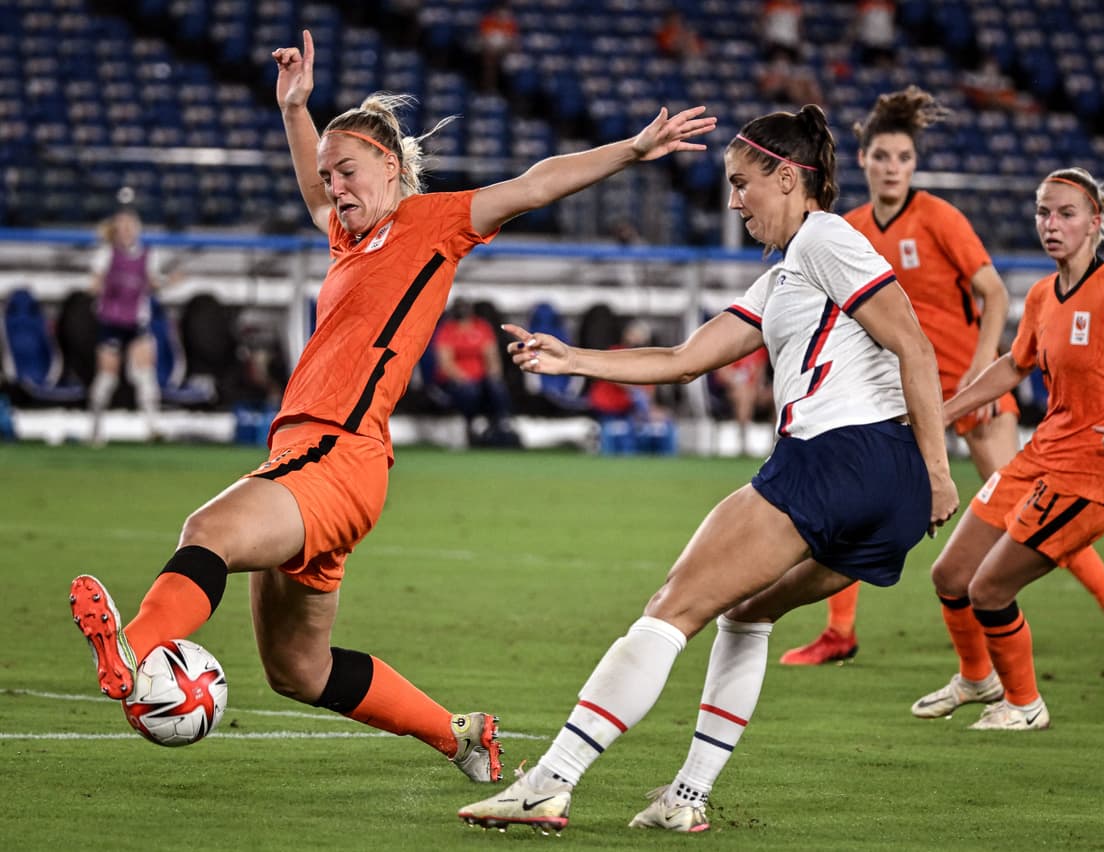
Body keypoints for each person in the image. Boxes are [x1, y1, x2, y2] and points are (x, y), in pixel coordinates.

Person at [67, 29, 714, 783]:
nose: (335, 188)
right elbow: (316, 187)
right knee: (298, 671)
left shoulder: (434, 223)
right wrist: (295, 111)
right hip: (321, 462)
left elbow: (537, 183)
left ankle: (133, 651)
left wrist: (633, 149)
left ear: (392, 164)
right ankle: (464, 735)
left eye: (348, 172)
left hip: (337, 454)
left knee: (207, 529)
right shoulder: (348, 237)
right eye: (328, 178)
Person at [457, 104, 959, 833]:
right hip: (888, 491)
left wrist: (943, 471)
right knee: (746, 612)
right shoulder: (789, 274)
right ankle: (685, 800)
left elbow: (914, 345)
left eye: (741, 183)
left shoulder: (825, 237)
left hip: (839, 457)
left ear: (788, 178)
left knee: (672, 608)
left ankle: (548, 782)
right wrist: (572, 358)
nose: (732, 202)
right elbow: (683, 361)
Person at [781, 87, 1104, 666]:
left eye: (904, 158)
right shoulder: (848, 228)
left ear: (915, 163)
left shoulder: (938, 217)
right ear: (862, 159)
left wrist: (981, 372)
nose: (892, 168)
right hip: (904, 393)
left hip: (970, 386)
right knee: (857, 502)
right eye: (882, 156)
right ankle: (840, 631)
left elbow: (992, 291)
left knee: (1029, 504)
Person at [911, 167, 1104, 731]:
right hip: (1037, 458)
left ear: (1095, 222)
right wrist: (945, 410)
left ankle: (1024, 704)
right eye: (1043, 212)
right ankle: (976, 678)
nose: (1051, 223)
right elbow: (1014, 366)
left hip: (1089, 477)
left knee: (989, 588)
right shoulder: (1042, 295)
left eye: (1065, 213)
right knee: (950, 575)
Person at [86, 207, 171, 447]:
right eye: (122, 227)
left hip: (136, 323)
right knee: (106, 378)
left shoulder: (147, 255)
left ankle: (152, 428)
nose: (126, 231)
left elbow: (153, 283)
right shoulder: (106, 254)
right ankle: (95, 430)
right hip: (111, 323)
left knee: (145, 375)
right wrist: (95, 288)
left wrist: (167, 282)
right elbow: (94, 283)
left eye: (130, 226)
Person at [433, 299, 517, 447]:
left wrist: (493, 375)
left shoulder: (481, 327)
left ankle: (502, 425)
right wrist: (463, 378)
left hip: (481, 379)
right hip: (457, 381)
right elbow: (446, 363)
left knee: (496, 387)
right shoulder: (447, 329)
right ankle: (471, 424)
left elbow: (491, 356)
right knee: (469, 391)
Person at [587, 319, 677, 455]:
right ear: (626, 335)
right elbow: (618, 376)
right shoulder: (614, 354)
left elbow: (647, 393)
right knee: (625, 429)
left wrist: (652, 409)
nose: (637, 340)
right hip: (609, 409)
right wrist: (638, 394)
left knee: (663, 423)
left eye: (642, 337)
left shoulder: (648, 361)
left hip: (631, 412)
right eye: (634, 335)